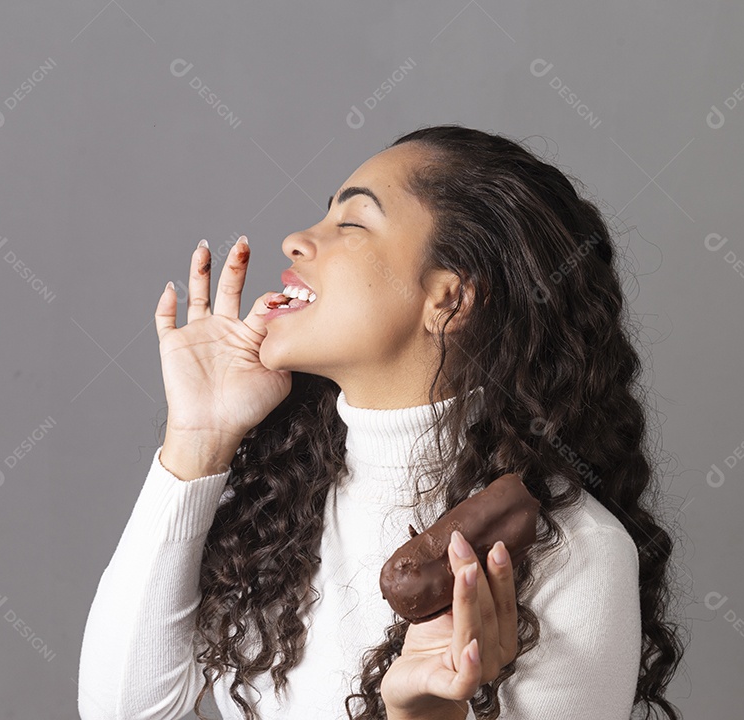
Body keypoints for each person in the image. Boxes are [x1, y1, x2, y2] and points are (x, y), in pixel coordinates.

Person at [77, 124, 685, 720]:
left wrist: (422, 718)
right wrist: (199, 438)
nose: (294, 241)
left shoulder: (572, 552)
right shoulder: (284, 502)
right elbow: (124, 711)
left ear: (450, 299)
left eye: (353, 222)